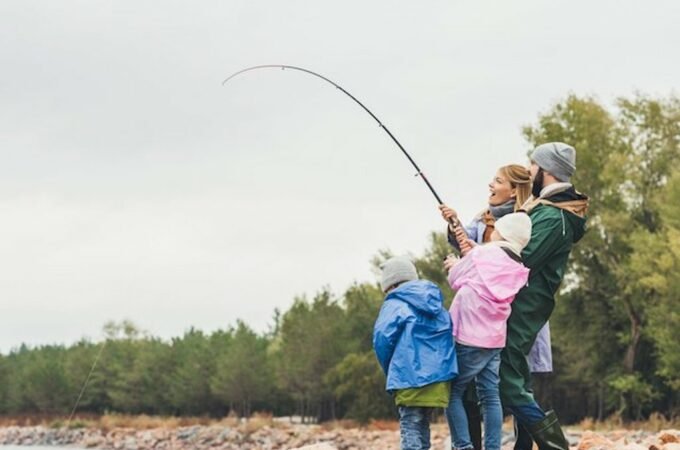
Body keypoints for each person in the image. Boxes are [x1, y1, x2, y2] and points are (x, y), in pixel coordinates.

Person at [439, 164, 553, 450]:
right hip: (495, 334)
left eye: (498, 180)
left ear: (514, 190)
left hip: (473, 331)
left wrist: (461, 263)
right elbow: (483, 255)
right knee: (491, 393)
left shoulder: (524, 219)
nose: (491, 184)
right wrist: (455, 224)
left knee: (457, 391)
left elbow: (464, 272)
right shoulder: (514, 261)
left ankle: (465, 446)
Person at [500, 143, 588, 450]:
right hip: (524, 303)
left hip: (526, 305)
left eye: (533, 166)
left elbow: (522, 259)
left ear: (547, 171)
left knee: (506, 378)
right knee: (517, 379)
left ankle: (557, 448)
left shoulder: (555, 217)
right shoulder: (549, 210)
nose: (529, 171)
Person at [444, 213, 532, 450]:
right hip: (494, 339)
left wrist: (454, 264)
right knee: (490, 395)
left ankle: (463, 446)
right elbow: (486, 267)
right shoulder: (517, 266)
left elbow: (455, 279)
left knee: (452, 393)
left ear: (501, 233)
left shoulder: (482, 255)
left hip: (467, 336)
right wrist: (472, 251)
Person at [373, 256, 458, 450]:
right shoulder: (435, 303)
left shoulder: (394, 304)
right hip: (439, 378)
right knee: (423, 423)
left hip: (408, 376)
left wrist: (390, 370)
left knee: (410, 423)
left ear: (390, 284)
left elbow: (382, 341)